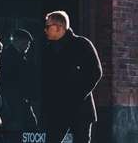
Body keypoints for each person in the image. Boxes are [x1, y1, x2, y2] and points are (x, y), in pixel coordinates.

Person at [41, 10, 102, 143]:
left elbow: (95, 72)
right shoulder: (48, 50)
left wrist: (77, 95)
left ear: (58, 27)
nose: (45, 30)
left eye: (47, 27)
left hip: (80, 108)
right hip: (57, 109)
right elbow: (45, 80)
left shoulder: (82, 44)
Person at [0, 29, 39, 131]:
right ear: (18, 41)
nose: (28, 45)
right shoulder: (10, 56)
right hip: (13, 99)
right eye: (26, 42)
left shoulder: (17, 56)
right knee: (22, 127)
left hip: (19, 99)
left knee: (28, 126)